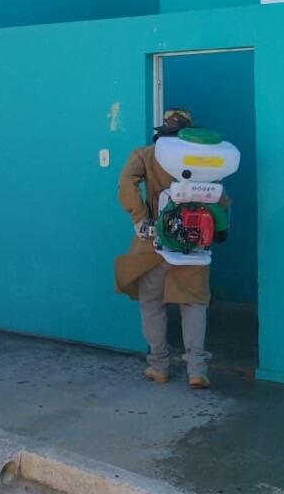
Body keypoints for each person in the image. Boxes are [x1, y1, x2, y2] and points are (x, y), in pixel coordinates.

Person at [114, 108, 224, 389]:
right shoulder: (207, 156)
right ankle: (197, 371)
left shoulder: (147, 154)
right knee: (194, 304)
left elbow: (125, 182)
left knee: (152, 304)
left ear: (163, 129)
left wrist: (139, 217)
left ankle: (159, 366)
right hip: (195, 243)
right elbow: (221, 199)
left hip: (153, 242)